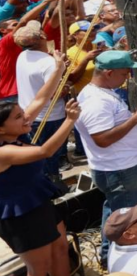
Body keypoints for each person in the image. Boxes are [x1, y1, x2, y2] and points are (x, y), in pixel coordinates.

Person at [75, 50, 137, 264]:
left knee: (114, 210)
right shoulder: (96, 101)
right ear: (109, 73)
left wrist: (134, 115)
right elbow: (102, 139)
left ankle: (107, 254)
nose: (127, 78)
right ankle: (121, 260)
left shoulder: (101, 92)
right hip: (119, 170)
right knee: (127, 220)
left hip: (117, 168)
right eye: (124, 74)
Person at [0, 57, 76, 276]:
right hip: (19, 215)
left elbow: (42, 97)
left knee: (61, 249)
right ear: (2, 130)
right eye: (18, 117)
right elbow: (45, 152)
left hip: (38, 201)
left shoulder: (17, 129)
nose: (26, 118)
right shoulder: (4, 152)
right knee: (40, 268)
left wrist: (59, 68)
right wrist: (69, 121)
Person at [14, 20, 67, 183]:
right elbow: (53, 94)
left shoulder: (22, 55)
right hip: (50, 117)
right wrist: (65, 83)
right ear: (43, 36)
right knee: (50, 154)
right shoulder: (49, 63)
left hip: (31, 114)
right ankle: (54, 184)